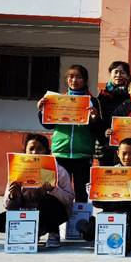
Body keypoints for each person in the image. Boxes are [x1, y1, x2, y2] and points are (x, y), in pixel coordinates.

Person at [0, 134, 74, 248]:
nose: (35, 152)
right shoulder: (17, 172)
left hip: (53, 213)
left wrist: (53, 190)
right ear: (25, 151)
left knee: (48, 201)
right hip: (28, 213)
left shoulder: (58, 171)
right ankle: (35, 231)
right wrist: (14, 196)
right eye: (31, 149)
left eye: (39, 149)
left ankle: (53, 233)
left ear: (47, 151)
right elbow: (7, 206)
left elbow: (69, 200)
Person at [37, 64, 102, 203]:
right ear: (66, 79)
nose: (74, 80)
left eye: (79, 77)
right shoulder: (57, 99)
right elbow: (48, 125)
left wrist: (95, 119)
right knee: (56, 189)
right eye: (71, 77)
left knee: (81, 193)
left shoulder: (93, 101)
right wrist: (42, 111)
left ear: (85, 80)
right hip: (60, 152)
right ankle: (59, 216)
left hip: (83, 154)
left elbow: (98, 129)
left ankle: (79, 217)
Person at [81, 138, 131, 252]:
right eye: (124, 153)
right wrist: (93, 192)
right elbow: (98, 204)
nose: (127, 157)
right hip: (111, 212)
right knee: (88, 232)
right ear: (118, 153)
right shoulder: (107, 174)